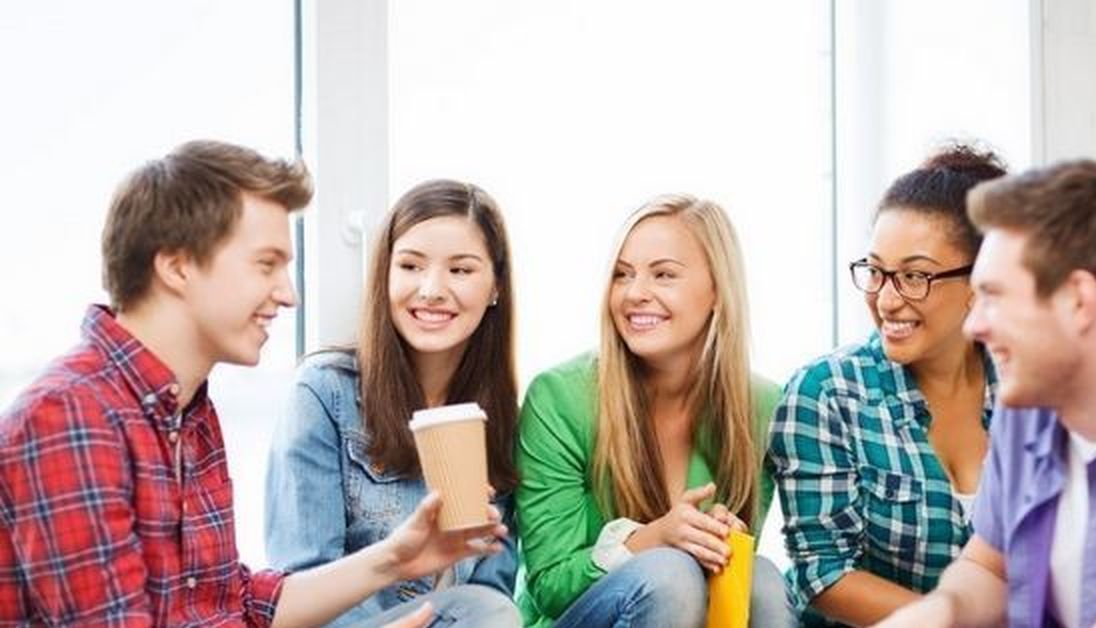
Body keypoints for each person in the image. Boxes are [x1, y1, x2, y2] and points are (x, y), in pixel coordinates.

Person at [0, 141, 506, 627]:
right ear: (176, 266)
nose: (288, 294)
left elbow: (233, 601)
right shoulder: (70, 418)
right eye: (266, 265)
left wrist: (393, 559)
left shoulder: (187, 415)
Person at [875, 160, 1096, 628]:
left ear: (1079, 301)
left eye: (994, 295)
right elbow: (990, 569)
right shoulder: (1029, 408)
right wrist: (937, 614)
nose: (974, 325)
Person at [516, 194, 797, 628]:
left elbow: (729, 592)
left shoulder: (761, 408)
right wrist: (651, 539)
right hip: (575, 618)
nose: (634, 294)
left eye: (663, 274)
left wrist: (723, 540)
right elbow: (549, 586)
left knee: (760, 580)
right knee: (669, 575)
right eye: (622, 275)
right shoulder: (559, 398)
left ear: (718, 292)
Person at [264, 179, 521, 627]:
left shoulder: (500, 419)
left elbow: (491, 590)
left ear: (496, 285)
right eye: (410, 266)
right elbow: (299, 586)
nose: (431, 290)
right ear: (385, 274)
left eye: (460, 270)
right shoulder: (325, 394)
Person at [771, 145, 1006, 626]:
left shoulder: (1032, 392)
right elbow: (824, 575)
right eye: (876, 272)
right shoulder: (826, 393)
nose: (886, 299)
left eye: (915, 276)